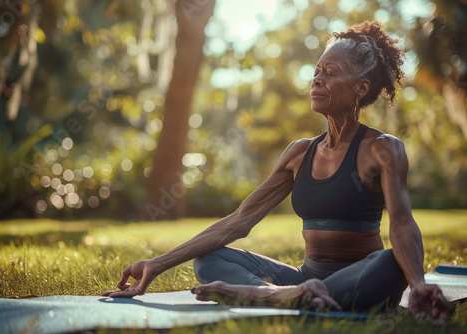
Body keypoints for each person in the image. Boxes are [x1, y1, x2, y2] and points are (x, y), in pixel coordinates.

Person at [102, 21, 451, 324]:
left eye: (330, 73)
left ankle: (275, 296)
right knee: (211, 257)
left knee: (391, 265)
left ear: (361, 88)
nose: (316, 80)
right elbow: (239, 221)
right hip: (303, 277)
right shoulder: (299, 153)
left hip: (361, 276)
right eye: (316, 71)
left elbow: (402, 223)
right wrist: (157, 264)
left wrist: (418, 284)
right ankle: (287, 295)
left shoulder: (382, 149)